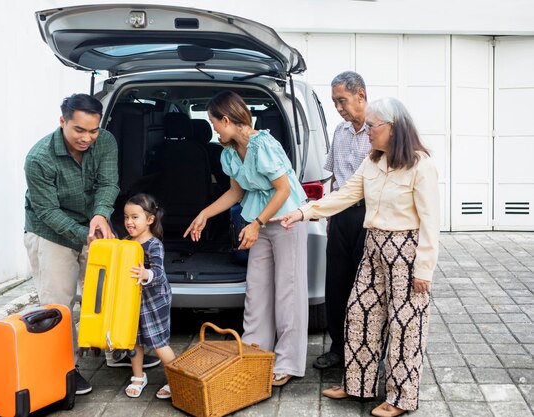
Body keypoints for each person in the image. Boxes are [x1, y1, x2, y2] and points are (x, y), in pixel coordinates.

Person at [272, 97, 439, 417]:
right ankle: (357, 385)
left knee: (406, 326)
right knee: (359, 312)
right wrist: (303, 211)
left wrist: (425, 269)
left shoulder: (421, 164)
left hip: (406, 251)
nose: (368, 133)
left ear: (392, 127)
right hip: (373, 246)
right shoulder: (373, 161)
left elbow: (431, 221)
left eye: (373, 126)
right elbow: (345, 195)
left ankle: (401, 398)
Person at [24, 94, 159, 395]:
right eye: (79, 130)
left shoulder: (106, 141)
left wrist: (99, 215)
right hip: (51, 232)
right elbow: (47, 212)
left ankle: (115, 349)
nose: (87, 138)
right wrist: (86, 235)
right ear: (62, 122)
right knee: (59, 303)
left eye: (93, 130)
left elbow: (108, 183)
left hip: (93, 224)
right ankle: (65, 370)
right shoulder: (39, 159)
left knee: (107, 291)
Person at [184, 91, 308, 386]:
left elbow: (283, 190)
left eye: (215, 125)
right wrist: (205, 214)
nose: (214, 130)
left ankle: (287, 362)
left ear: (227, 120)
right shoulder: (229, 152)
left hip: (286, 219)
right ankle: (254, 353)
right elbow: (235, 192)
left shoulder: (263, 144)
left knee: (288, 293)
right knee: (256, 290)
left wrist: (257, 224)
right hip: (258, 222)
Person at [314, 71, 372, 370]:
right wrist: (330, 215)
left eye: (342, 101)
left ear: (360, 95)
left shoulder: (380, 131)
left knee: (366, 286)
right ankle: (337, 347)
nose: (338, 107)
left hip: (369, 216)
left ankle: (364, 350)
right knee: (336, 283)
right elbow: (335, 175)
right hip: (340, 216)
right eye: (335, 102)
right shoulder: (340, 131)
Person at [122, 193, 176, 399]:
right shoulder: (126, 242)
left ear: (150, 220)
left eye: (135, 217)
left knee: (159, 342)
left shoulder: (154, 245)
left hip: (154, 301)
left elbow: (160, 273)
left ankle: (176, 378)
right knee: (134, 340)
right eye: (126, 217)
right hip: (132, 300)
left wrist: (146, 273)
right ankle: (138, 376)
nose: (129, 222)